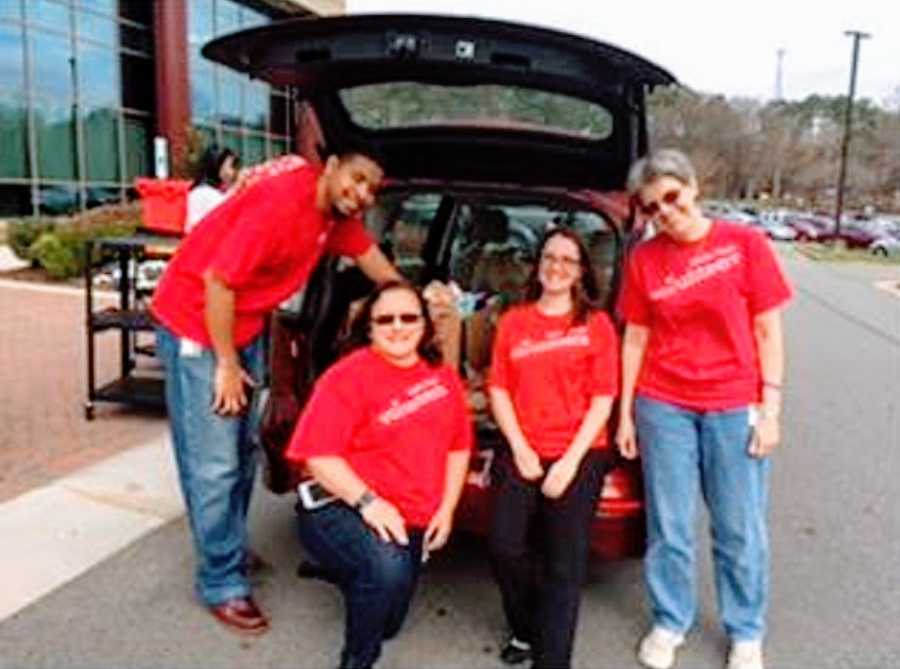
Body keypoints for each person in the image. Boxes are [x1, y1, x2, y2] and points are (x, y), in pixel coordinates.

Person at [150, 147, 403, 636]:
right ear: (329, 168)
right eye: (356, 179)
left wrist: (409, 300)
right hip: (198, 323)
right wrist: (225, 363)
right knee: (214, 461)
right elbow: (218, 282)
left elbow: (371, 259)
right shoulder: (281, 206)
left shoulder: (334, 213)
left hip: (243, 325)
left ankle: (225, 545)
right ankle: (221, 580)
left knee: (242, 450)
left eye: (372, 188)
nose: (363, 194)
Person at [616, 149, 792, 669]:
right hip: (663, 404)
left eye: (671, 197)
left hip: (733, 403)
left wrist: (772, 407)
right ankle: (671, 620)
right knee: (669, 525)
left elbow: (768, 330)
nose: (665, 212)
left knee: (739, 525)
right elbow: (635, 339)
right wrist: (625, 412)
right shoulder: (644, 260)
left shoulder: (745, 244)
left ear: (693, 188)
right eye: (652, 207)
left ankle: (746, 630)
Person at [284, 281, 472, 669]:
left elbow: (458, 446)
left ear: (424, 325)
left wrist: (448, 508)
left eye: (409, 317)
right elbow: (318, 457)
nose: (398, 327)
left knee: (389, 622)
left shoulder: (444, 377)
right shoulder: (345, 378)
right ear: (368, 328)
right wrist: (370, 503)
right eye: (385, 319)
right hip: (343, 504)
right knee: (384, 569)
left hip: (414, 513)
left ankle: (346, 571)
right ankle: (357, 660)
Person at [487, 227, 620, 669]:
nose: (556, 267)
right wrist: (521, 449)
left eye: (567, 259)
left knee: (565, 564)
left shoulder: (596, 325)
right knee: (505, 546)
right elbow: (499, 390)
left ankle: (553, 660)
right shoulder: (513, 321)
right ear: (537, 264)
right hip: (524, 445)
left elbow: (604, 399)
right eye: (549, 257)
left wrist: (569, 462)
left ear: (581, 271)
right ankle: (526, 627)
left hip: (580, 451)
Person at [186, 146, 241, 233]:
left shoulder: (203, 190)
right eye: (230, 166)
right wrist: (236, 186)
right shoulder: (203, 192)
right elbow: (225, 208)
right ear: (216, 165)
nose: (233, 172)